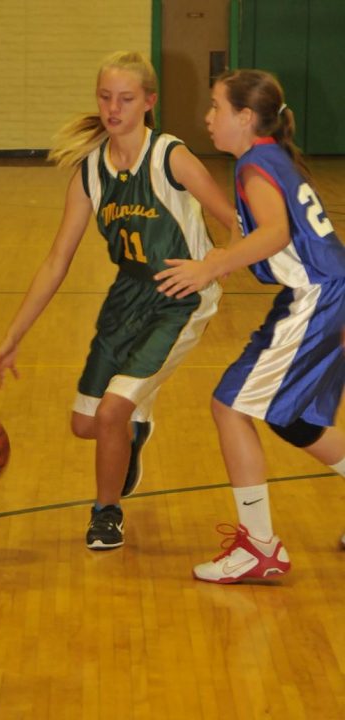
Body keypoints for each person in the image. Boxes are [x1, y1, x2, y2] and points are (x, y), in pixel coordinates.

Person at [0, 51, 235, 550]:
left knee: (113, 410)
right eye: (105, 97)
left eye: (126, 99)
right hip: (127, 294)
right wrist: (13, 337)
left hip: (180, 297)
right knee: (86, 424)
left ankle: (105, 512)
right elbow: (56, 261)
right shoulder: (90, 172)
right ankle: (133, 436)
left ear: (149, 102)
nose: (113, 109)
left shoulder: (170, 157)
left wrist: (211, 266)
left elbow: (236, 221)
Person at [155, 69, 345, 582]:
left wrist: (211, 265)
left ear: (245, 118)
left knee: (230, 405)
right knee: (293, 418)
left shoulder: (256, 164)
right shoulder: (268, 157)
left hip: (315, 298)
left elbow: (275, 233)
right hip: (324, 294)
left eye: (216, 107)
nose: (207, 117)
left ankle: (260, 548)